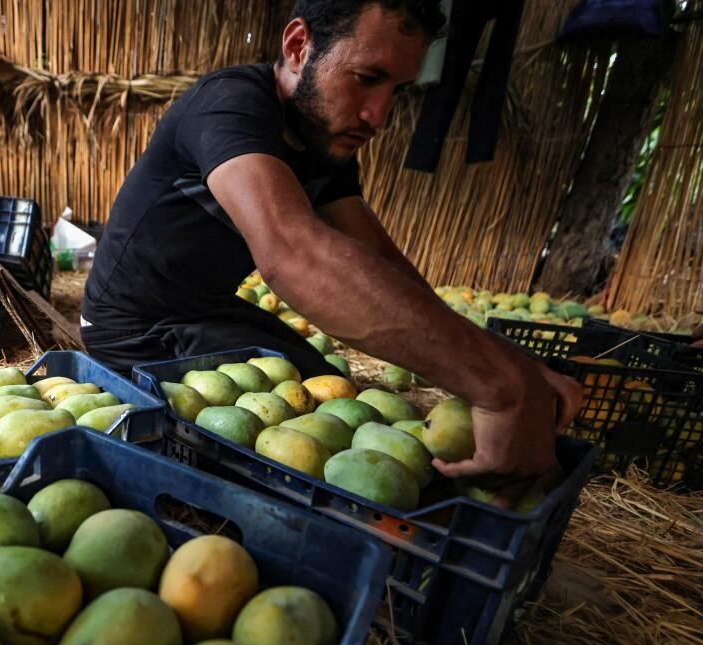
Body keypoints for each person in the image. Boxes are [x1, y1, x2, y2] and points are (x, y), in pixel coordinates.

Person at [82, 0, 582, 484]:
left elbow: (381, 263)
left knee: (336, 394)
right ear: (299, 46)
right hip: (135, 330)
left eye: (398, 91)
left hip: (205, 311)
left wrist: (512, 365)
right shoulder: (231, 105)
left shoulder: (325, 143)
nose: (378, 116)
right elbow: (294, 254)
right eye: (367, 78)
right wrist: (502, 389)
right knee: (313, 426)